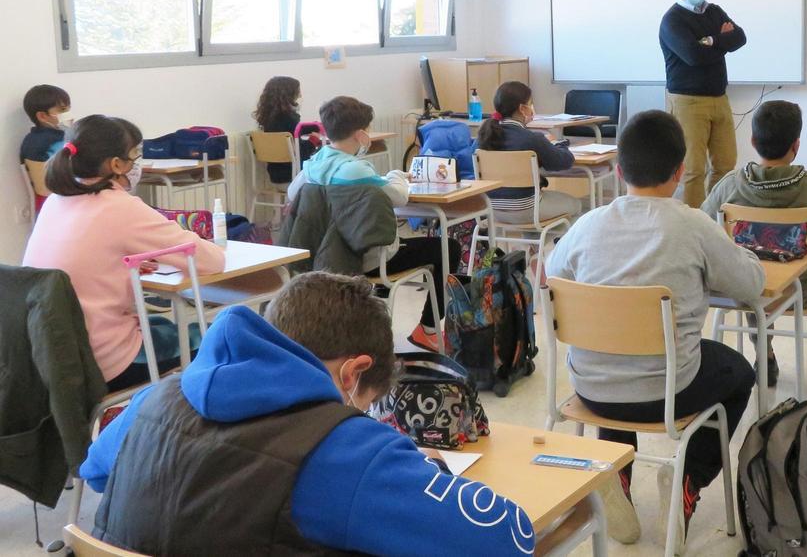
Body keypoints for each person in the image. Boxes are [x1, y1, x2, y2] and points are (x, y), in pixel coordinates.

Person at [79, 272, 534, 555]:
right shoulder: (348, 452)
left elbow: (97, 472)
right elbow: (509, 538)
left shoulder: (156, 399)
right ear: (353, 373)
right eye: (365, 404)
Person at [546, 110, 764, 555]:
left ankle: (615, 476)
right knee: (739, 371)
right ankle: (687, 478)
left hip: (590, 388)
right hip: (668, 393)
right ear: (681, 171)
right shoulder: (693, 225)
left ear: (619, 170)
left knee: (615, 352)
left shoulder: (588, 224)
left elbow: (552, 274)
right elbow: (750, 285)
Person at [22, 115, 225, 391]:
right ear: (116, 164)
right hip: (109, 361)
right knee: (221, 334)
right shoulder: (118, 206)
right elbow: (210, 261)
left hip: (54, 357)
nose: (136, 165)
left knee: (157, 323)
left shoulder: (55, 202)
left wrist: (118, 265)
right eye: (134, 157)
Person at [702, 100, 807, 396]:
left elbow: (703, 221)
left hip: (751, 286)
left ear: (753, 141)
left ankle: (765, 359)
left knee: (751, 269)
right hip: (804, 285)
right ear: (796, 145)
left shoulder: (731, 184)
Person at [287, 96, 458, 347]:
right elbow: (398, 196)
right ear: (360, 134)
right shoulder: (357, 170)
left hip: (321, 258)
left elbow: (293, 194)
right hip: (367, 260)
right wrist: (396, 175)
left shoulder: (312, 167)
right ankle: (429, 329)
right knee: (447, 247)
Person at [658, 0, 747, 208]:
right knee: (693, 170)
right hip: (688, 102)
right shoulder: (672, 21)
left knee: (726, 166)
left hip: (719, 98)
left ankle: (715, 222)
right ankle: (693, 225)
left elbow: (739, 37)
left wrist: (708, 41)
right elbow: (693, 57)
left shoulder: (714, 11)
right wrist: (722, 40)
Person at [476, 81, 581, 224]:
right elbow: (564, 161)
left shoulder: (483, 138)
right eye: (531, 104)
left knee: (540, 207)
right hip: (526, 209)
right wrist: (558, 144)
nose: (533, 109)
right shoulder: (531, 139)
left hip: (490, 209)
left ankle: (534, 247)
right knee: (576, 205)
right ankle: (555, 245)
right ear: (522, 108)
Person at [253, 75, 318, 183]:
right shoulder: (290, 118)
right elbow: (298, 151)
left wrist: (311, 127)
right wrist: (312, 142)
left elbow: (291, 132)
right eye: (298, 92)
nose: (300, 95)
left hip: (276, 173)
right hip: (295, 175)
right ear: (289, 95)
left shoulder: (268, 118)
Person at [20, 84, 71, 212]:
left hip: (44, 204)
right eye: (62, 110)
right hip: (60, 204)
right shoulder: (54, 142)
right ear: (42, 116)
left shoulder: (30, 140)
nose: (69, 114)